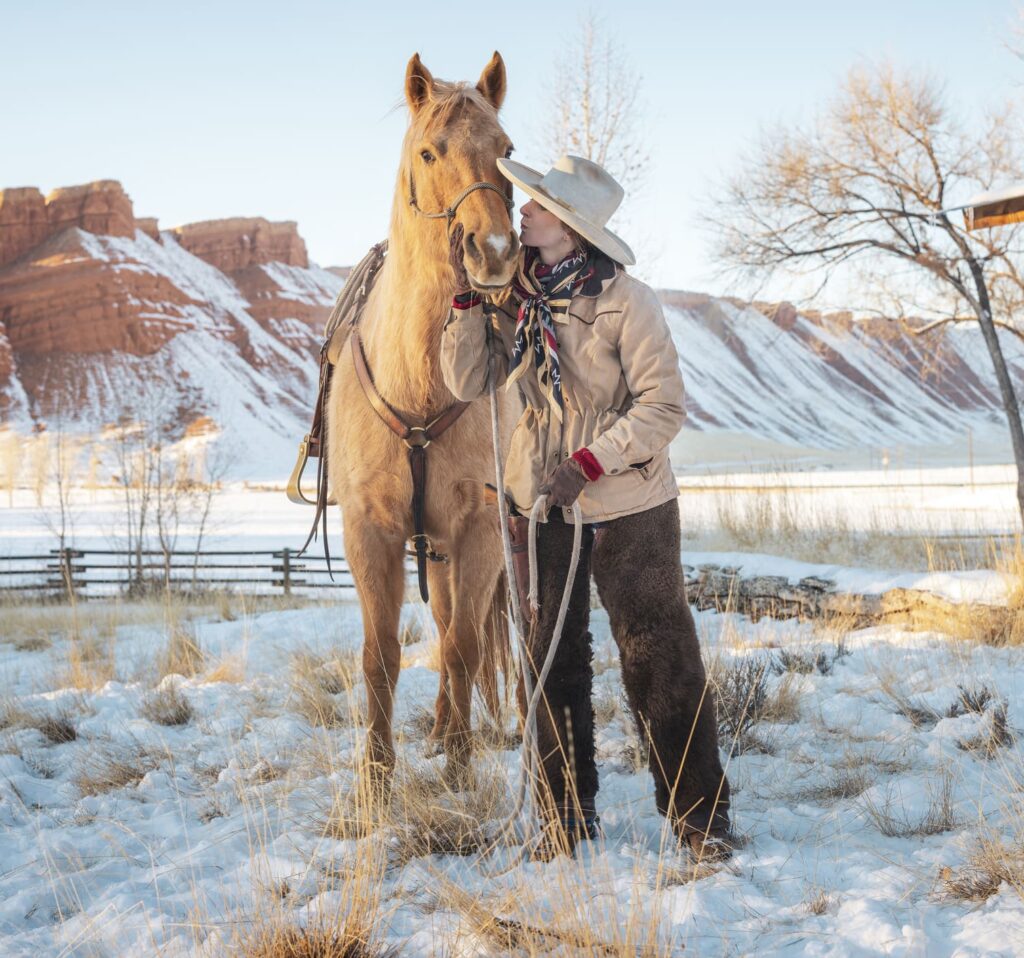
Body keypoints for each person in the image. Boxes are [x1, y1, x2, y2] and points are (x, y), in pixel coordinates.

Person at [440, 154, 732, 861]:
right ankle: (562, 819)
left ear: (567, 226)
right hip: (537, 510)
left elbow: (663, 408)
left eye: (535, 205)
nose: (522, 210)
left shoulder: (628, 302)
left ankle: (700, 820)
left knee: (657, 656)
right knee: (548, 664)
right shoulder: (514, 294)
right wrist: (467, 300)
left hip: (630, 508)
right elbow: (468, 378)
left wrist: (588, 463)